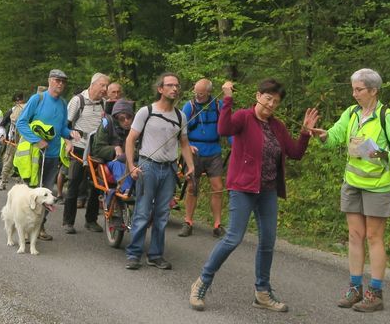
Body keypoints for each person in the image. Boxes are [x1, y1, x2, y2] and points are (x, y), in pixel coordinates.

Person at [189, 79, 319, 312]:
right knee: (233, 238)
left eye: (276, 101)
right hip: (243, 187)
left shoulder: (277, 126)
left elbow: (295, 153)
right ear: (258, 96)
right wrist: (227, 99)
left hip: (268, 190)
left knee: (268, 242)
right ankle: (202, 283)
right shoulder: (242, 117)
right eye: (268, 98)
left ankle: (262, 292)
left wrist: (304, 133)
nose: (271, 104)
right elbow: (223, 129)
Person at [310, 68, 390, 312]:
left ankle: (375, 294)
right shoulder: (351, 113)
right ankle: (355, 289)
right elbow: (335, 136)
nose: (354, 94)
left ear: (373, 90)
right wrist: (322, 135)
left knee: (374, 237)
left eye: (359, 89)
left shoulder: (387, 117)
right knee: (355, 236)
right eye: (353, 89)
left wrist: (382, 154)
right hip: (352, 184)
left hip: (379, 186)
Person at [124, 72, 195, 271]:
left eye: (177, 86)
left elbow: (184, 142)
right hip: (148, 167)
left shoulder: (181, 116)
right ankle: (134, 254)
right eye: (170, 85)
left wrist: (191, 166)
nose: (175, 89)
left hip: (170, 169)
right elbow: (130, 140)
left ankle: (155, 255)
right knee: (143, 212)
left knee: (162, 214)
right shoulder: (146, 112)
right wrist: (131, 166)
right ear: (160, 89)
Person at [16, 69, 80, 240]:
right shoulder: (38, 99)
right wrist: (36, 140)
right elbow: (21, 123)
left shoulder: (63, 103)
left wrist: (70, 134)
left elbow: (61, 129)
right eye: (57, 80)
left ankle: (39, 228)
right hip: (34, 155)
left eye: (63, 81)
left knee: (46, 194)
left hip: (51, 156)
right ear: (50, 81)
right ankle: (24, 228)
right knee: (31, 192)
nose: (60, 84)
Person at [62, 72, 110, 234]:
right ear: (93, 84)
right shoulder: (78, 100)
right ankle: (68, 222)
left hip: (96, 149)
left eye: (106, 86)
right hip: (79, 147)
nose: (105, 89)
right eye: (102, 85)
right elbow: (65, 125)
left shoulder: (104, 103)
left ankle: (91, 220)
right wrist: (68, 143)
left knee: (97, 186)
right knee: (74, 184)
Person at [179, 79, 225, 238]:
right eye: (196, 92)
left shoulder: (219, 106)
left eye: (201, 93)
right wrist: (187, 146)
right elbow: (180, 129)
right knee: (192, 186)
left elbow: (228, 127)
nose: (197, 96)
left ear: (208, 92)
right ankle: (188, 222)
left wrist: (236, 145)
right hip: (193, 152)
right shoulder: (189, 107)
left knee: (218, 187)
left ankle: (217, 225)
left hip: (213, 151)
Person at [92, 99, 136, 195]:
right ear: (116, 118)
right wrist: (114, 149)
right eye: (122, 119)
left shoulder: (137, 127)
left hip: (131, 160)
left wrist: (128, 155)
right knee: (118, 165)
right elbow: (97, 149)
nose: (126, 121)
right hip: (110, 162)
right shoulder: (107, 124)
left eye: (129, 117)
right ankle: (126, 190)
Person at [0, 93, 26, 190]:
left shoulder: (28, 109)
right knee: (8, 161)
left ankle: (21, 182)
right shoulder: (12, 111)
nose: (19, 102)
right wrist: (2, 136)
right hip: (13, 140)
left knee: (23, 162)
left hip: (24, 141)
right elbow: (2, 125)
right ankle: (3, 181)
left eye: (20, 100)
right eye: (17, 100)